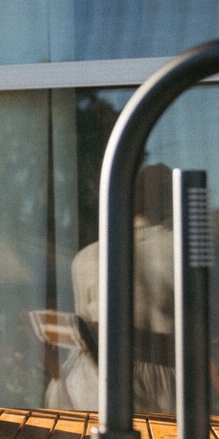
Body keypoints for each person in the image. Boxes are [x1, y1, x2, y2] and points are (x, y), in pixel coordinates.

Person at [68, 163, 176, 413]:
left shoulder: (87, 256)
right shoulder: (181, 252)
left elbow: (83, 326)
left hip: (96, 388)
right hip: (167, 393)